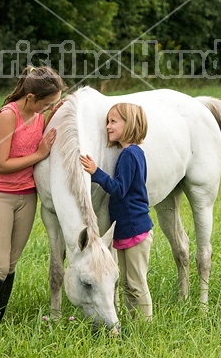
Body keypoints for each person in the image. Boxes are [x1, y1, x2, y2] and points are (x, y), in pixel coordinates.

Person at [0, 64, 66, 325]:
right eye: (48, 104)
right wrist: (38, 155)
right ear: (31, 98)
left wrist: (54, 112)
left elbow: (44, 121)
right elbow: (0, 165)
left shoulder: (38, 115)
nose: (49, 109)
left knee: (12, 264)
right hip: (0, 194)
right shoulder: (8, 116)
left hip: (27, 195)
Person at [80, 102, 153, 321]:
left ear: (129, 124)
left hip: (135, 228)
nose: (108, 127)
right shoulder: (132, 152)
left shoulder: (129, 155)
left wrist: (96, 173)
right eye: (107, 122)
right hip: (127, 228)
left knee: (136, 283)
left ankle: (145, 326)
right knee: (128, 282)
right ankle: (132, 320)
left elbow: (119, 189)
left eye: (113, 122)